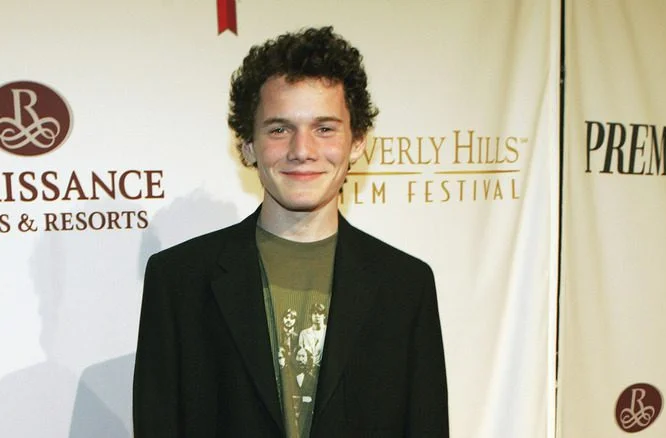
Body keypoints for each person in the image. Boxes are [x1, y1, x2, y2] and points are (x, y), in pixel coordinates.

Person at [133, 26, 448, 437]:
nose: (302, 150)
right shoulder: (178, 280)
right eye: (280, 129)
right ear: (248, 145)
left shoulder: (406, 285)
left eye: (325, 128)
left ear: (357, 142)